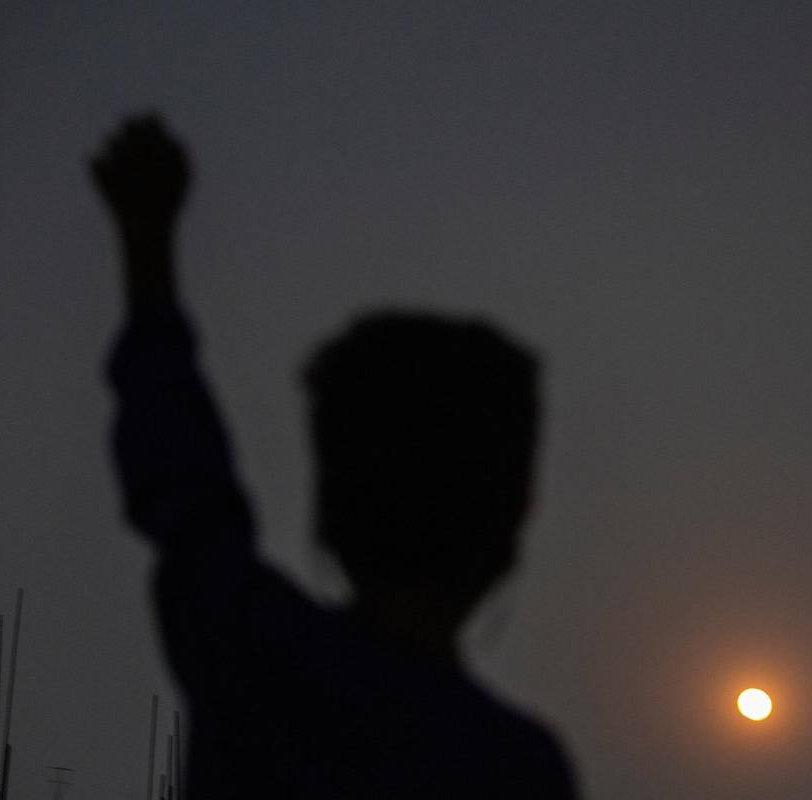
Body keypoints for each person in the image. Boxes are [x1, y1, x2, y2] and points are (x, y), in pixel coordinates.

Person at [89, 116, 577, 798]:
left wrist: (148, 246)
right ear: (517, 520)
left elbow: (181, 481)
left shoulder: (256, 655)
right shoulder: (521, 771)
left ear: (329, 512)